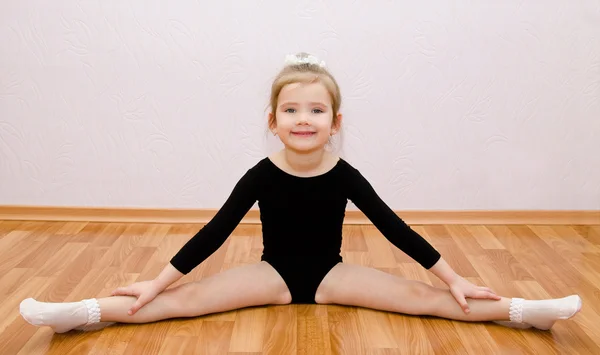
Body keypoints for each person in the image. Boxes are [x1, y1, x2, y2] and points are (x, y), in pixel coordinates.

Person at [19, 52, 582, 334]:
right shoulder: (262, 173)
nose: (304, 118)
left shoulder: (344, 173)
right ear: (273, 119)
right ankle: (81, 314)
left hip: (332, 275)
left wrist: (455, 279)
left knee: (427, 300)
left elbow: (393, 228)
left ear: (335, 122)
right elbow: (214, 232)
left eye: (317, 110)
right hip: (273, 275)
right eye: (292, 110)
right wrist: (158, 280)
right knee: (175, 304)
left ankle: (526, 312)